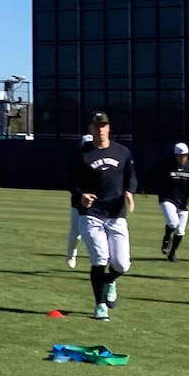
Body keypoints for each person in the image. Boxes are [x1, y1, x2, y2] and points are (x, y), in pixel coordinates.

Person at [68, 111, 136, 321]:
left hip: (116, 214)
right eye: (97, 126)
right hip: (92, 214)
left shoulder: (122, 152)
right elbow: (71, 181)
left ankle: (110, 281)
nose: (100, 129)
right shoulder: (83, 155)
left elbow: (131, 177)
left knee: (122, 264)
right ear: (91, 129)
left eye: (104, 125)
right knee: (100, 258)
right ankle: (100, 305)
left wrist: (130, 192)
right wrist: (81, 195)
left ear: (109, 128)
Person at [153, 142, 189, 262]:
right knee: (173, 223)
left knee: (180, 230)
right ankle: (167, 238)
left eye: (185, 155)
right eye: (180, 156)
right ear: (175, 155)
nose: (182, 158)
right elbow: (155, 176)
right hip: (167, 198)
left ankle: (172, 253)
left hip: (183, 201)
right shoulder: (166, 165)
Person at [66, 133, 93, 268]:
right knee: (76, 232)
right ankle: (71, 254)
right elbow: (70, 183)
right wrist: (81, 195)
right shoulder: (76, 162)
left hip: (96, 202)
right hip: (78, 201)